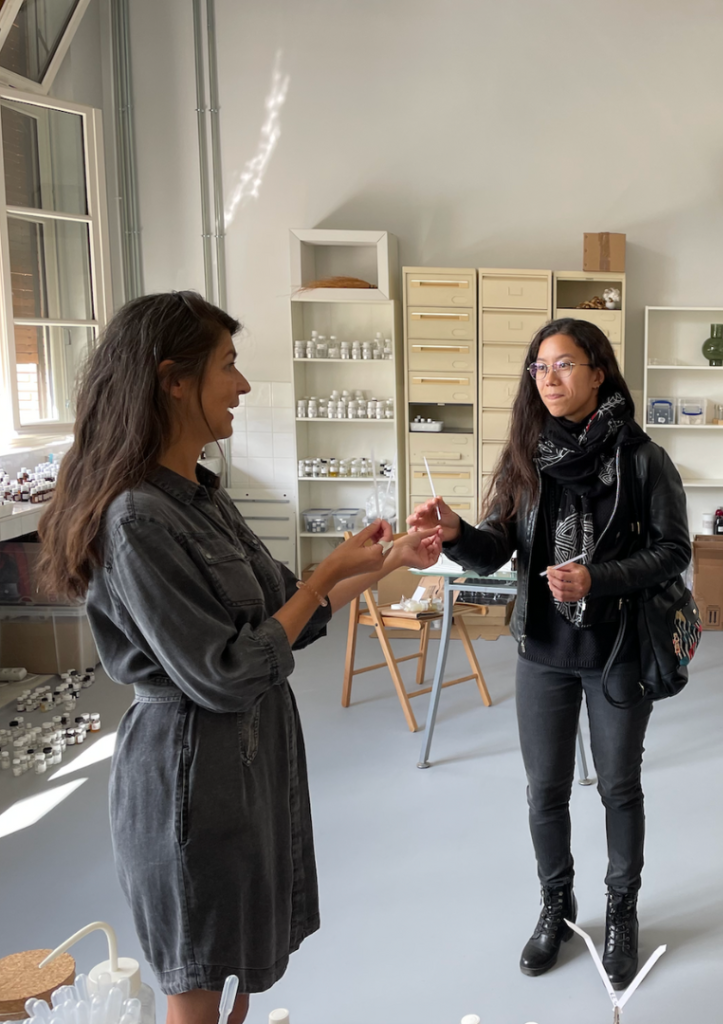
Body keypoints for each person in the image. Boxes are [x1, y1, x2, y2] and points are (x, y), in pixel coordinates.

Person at [38, 292, 441, 1024]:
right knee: (199, 988)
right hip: (188, 779)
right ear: (173, 380)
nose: (244, 384)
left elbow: (289, 613)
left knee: (235, 984)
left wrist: (388, 561)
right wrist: (323, 578)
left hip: (244, 767)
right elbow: (225, 672)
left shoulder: (202, 498)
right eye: (228, 365)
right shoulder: (135, 519)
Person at [406, 318, 690, 990]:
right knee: (545, 791)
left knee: (619, 787)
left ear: (598, 372)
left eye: (564, 364)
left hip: (618, 651)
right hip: (543, 650)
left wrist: (599, 578)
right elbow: (495, 550)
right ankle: (556, 908)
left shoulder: (643, 458)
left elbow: (674, 551)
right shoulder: (527, 457)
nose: (548, 378)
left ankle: (622, 911)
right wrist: (456, 533)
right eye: (539, 367)